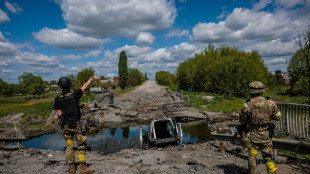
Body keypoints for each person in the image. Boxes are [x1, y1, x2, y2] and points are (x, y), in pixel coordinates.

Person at [53, 76, 96, 174]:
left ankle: (72, 168)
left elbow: (59, 114)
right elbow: (84, 86)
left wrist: (65, 111)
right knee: (81, 144)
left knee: (69, 145)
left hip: (65, 125)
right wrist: (90, 79)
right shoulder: (75, 94)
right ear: (69, 85)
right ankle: (83, 168)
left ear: (60, 87)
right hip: (75, 124)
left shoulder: (57, 99)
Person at [239, 81, 281, 174]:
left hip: (252, 135)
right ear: (262, 90)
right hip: (266, 134)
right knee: (268, 156)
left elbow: (242, 121)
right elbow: (278, 117)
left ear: (250, 91)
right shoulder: (271, 103)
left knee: (252, 156)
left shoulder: (246, 105)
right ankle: (271, 172)